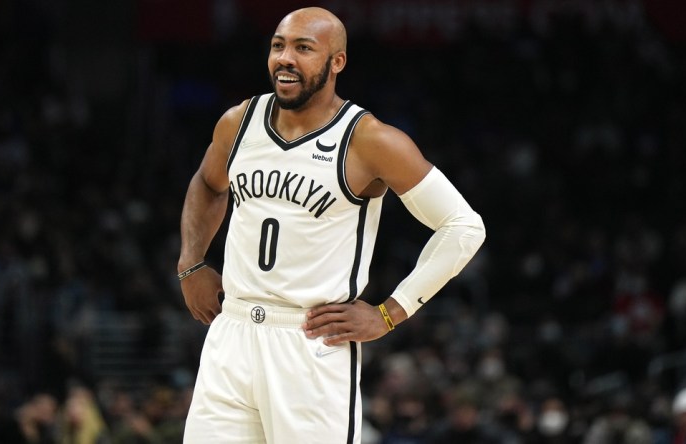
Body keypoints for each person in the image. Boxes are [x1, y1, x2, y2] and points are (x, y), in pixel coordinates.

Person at [176, 6, 486, 443]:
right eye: (278, 46)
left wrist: (390, 313)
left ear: (336, 62)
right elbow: (209, 185)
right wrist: (191, 263)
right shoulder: (238, 122)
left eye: (304, 48)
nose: (285, 58)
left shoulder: (370, 140)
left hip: (310, 343)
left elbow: (463, 227)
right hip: (233, 333)